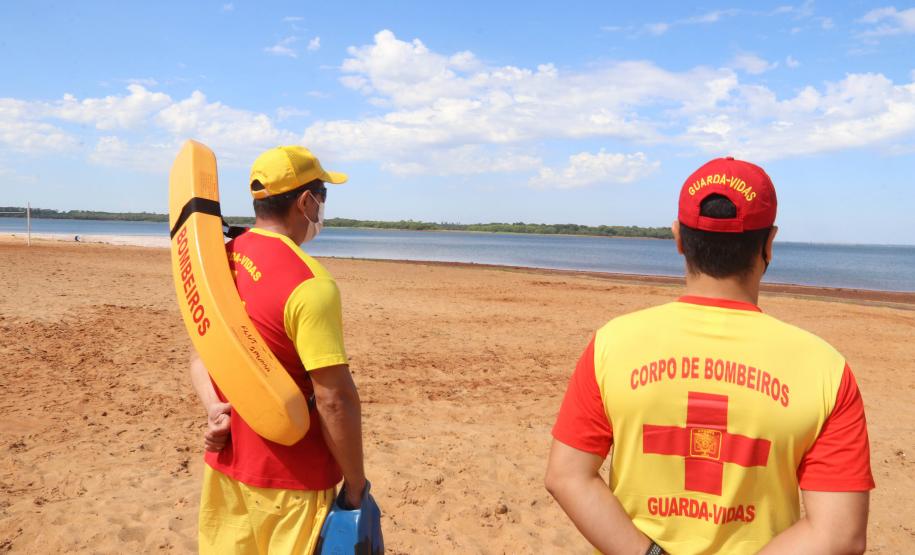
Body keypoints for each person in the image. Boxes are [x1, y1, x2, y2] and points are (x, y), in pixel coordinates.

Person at [544, 157, 874, 554]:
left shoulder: (612, 344)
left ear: (679, 237)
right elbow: (839, 534)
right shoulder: (826, 369)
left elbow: (567, 476)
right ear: (769, 242)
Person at [189, 146, 366, 554]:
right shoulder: (310, 284)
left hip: (226, 468)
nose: (322, 207)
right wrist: (355, 485)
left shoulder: (221, 260)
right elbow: (334, 399)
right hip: (295, 482)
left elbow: (201, 352)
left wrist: (214, 408)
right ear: (306, 201)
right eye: (322, 195)